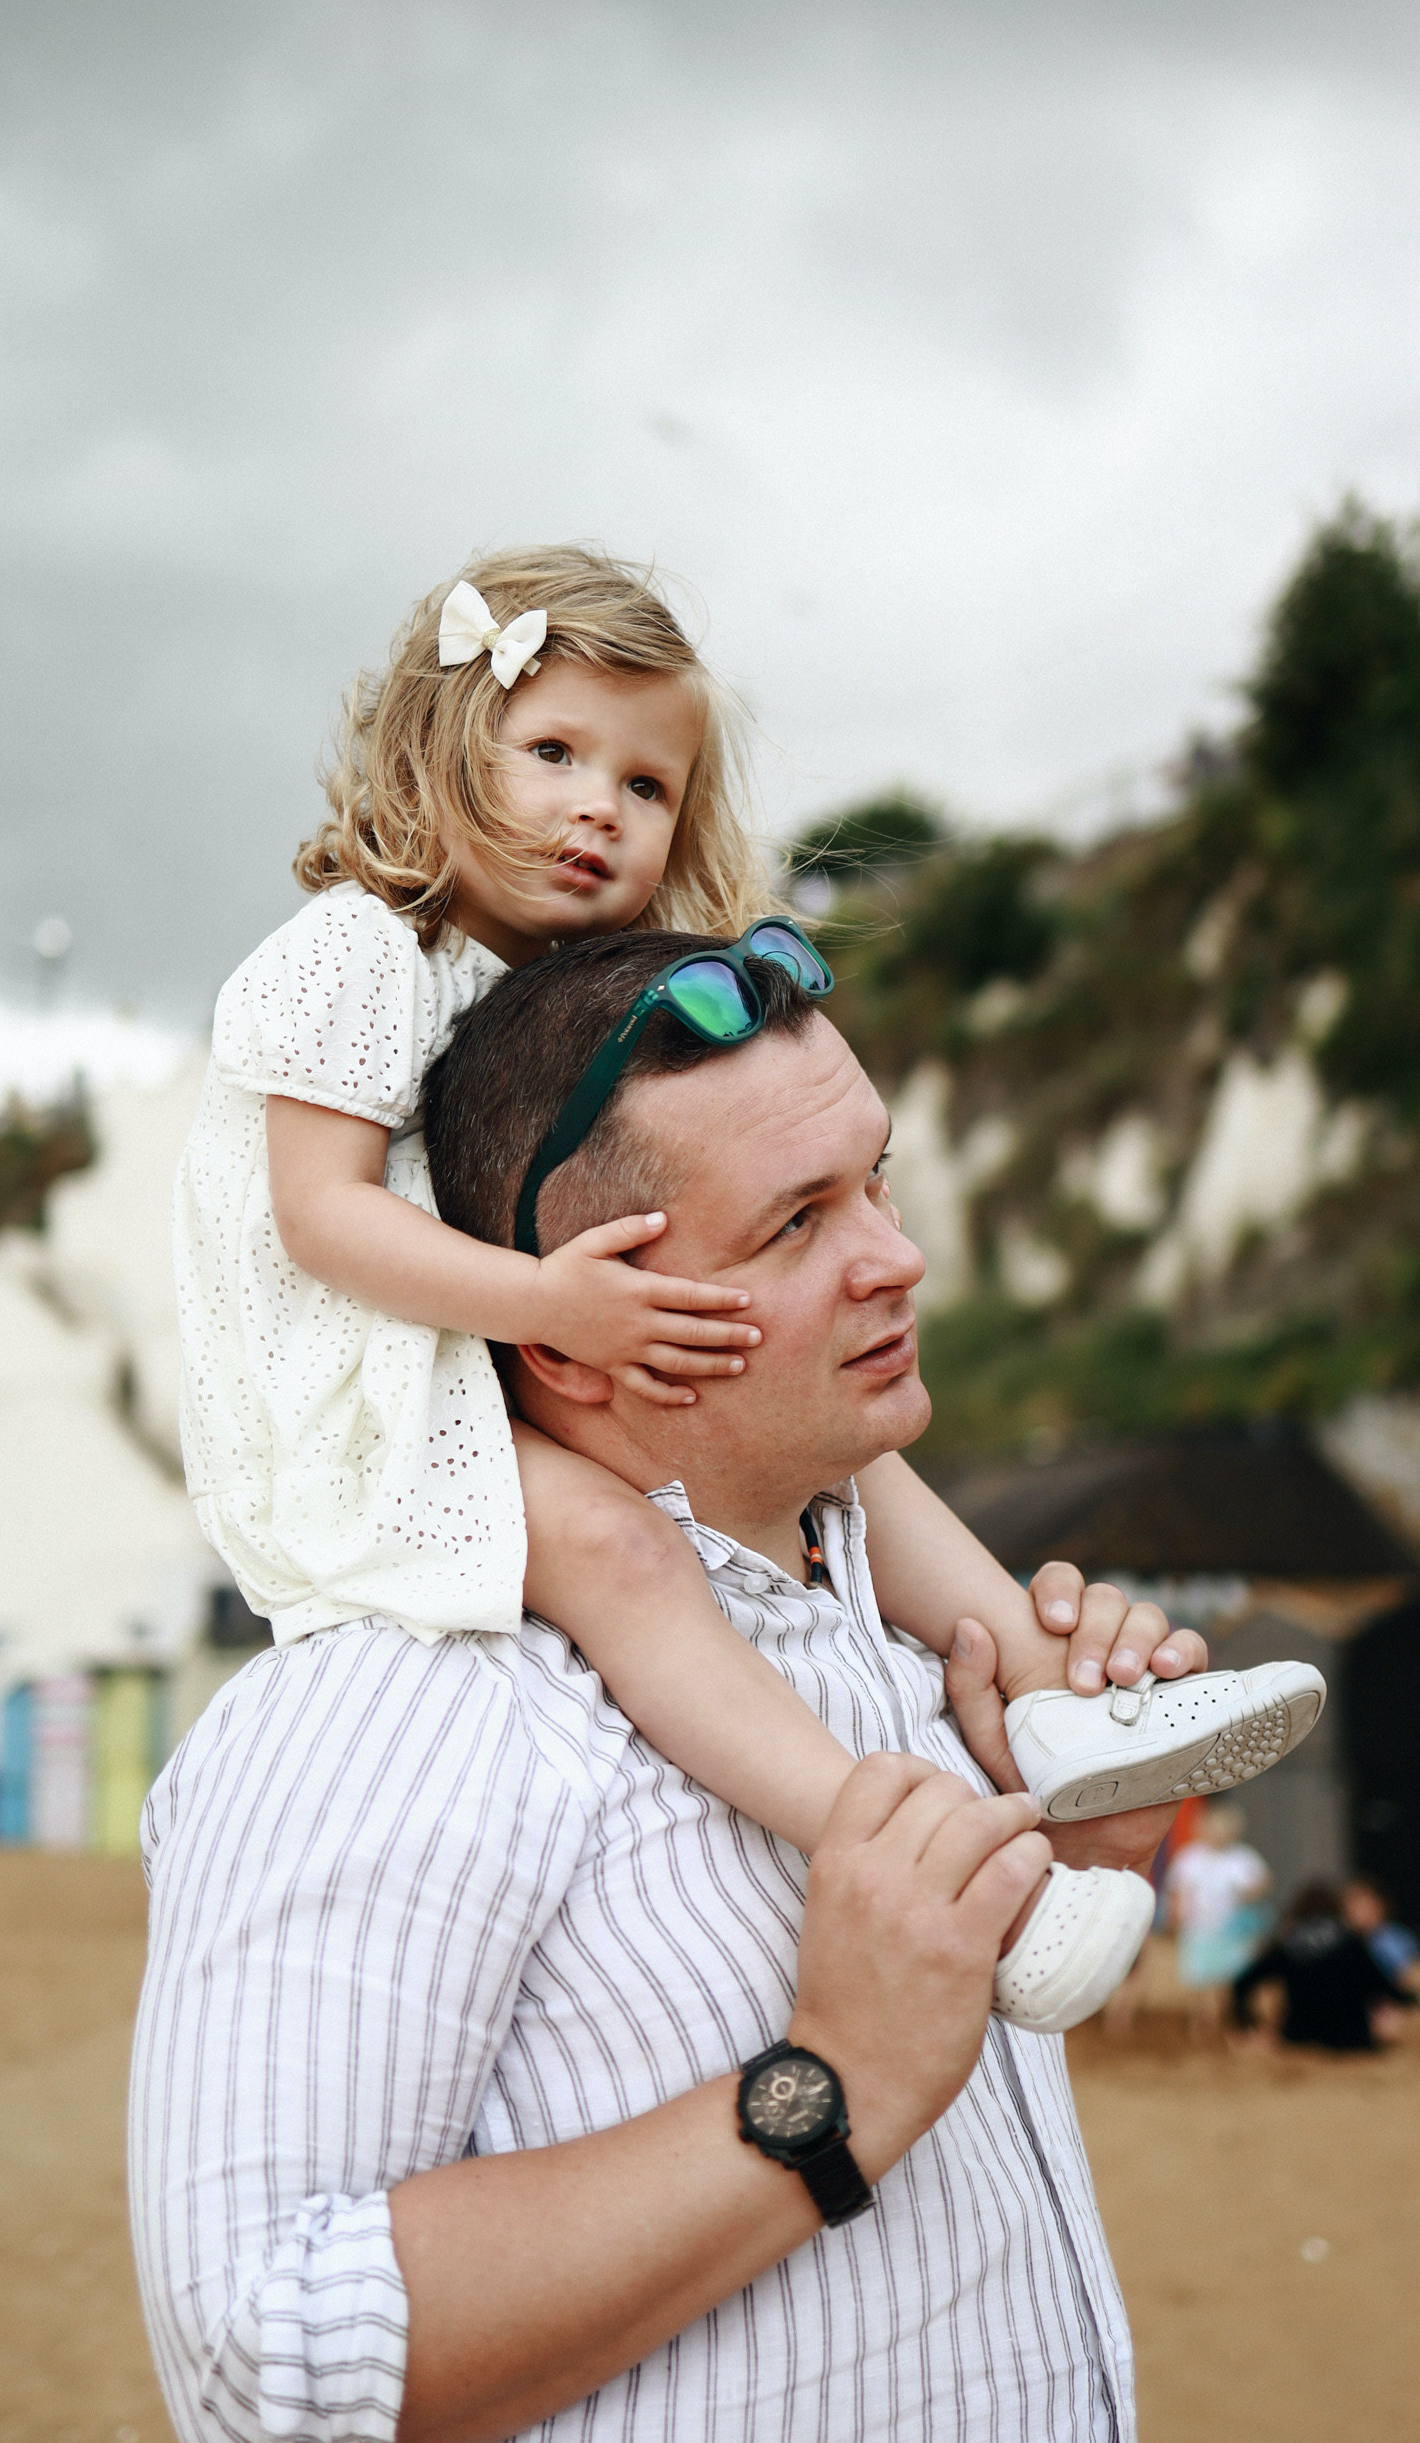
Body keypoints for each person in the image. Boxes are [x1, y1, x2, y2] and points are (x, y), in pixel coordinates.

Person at [133, 932, 1213, 2443]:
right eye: (795, 1227)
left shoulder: (890, 1643)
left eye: (875, 1180)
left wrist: (1069, 1846)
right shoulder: (398, 1706)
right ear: (566, 1327)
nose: (896, 1257)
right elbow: (258, 2367)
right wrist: (820, 2093)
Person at [172, 543, 1319, 2032]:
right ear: (443, 752)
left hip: (482, 1333)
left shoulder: (542, 984)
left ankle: (1052, 1695)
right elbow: (320, 1223)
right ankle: (894, 1838)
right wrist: (555, 1312)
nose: (600, 805)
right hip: (354, 1396)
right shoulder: (357, 956)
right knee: (621, 1555)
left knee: (849, 1451)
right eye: (553, 753)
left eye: (647, 786)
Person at [1231, 1880, 1420, 2053]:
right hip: (1353, 2043)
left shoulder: (1289, 1946)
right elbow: (1381, 1986)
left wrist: (1250, 2024)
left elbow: (1242, 1984)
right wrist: (1412, 1999)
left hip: (1299, 2040)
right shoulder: (1352, 1942)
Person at [1165, 1800, 1272, 2041]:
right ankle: (1200, 2026)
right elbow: (1178, 1892)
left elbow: (1262, 1882)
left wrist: (1248, 1895)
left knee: (1228, 1980)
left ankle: (1225, 2025)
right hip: (1198, 1928)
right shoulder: (1189, 1857)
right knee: (1198, 1980)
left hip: (1231, 1931)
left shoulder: (1243, 1857)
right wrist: (1175, 1920)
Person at [1343, 1873, 1420, 1984]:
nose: (1352, 1912)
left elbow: (1406, 1976)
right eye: (1348, 1905)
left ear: (1379, 1905)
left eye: (1360, 1904)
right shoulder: (1355, 1941)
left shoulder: (1392, 1940)